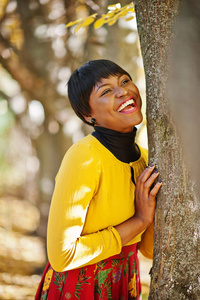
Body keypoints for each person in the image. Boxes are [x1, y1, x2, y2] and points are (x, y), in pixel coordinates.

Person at [35, 59, 162, 300]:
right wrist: (141, 219)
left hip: (125, 281)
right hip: (80, 284)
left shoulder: (147, 159)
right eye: (106, 91)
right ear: (88, 114)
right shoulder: (84, 157)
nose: (123, 91)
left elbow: (147, 250)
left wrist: (150, 218)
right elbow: (62, 256)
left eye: (124, 81)